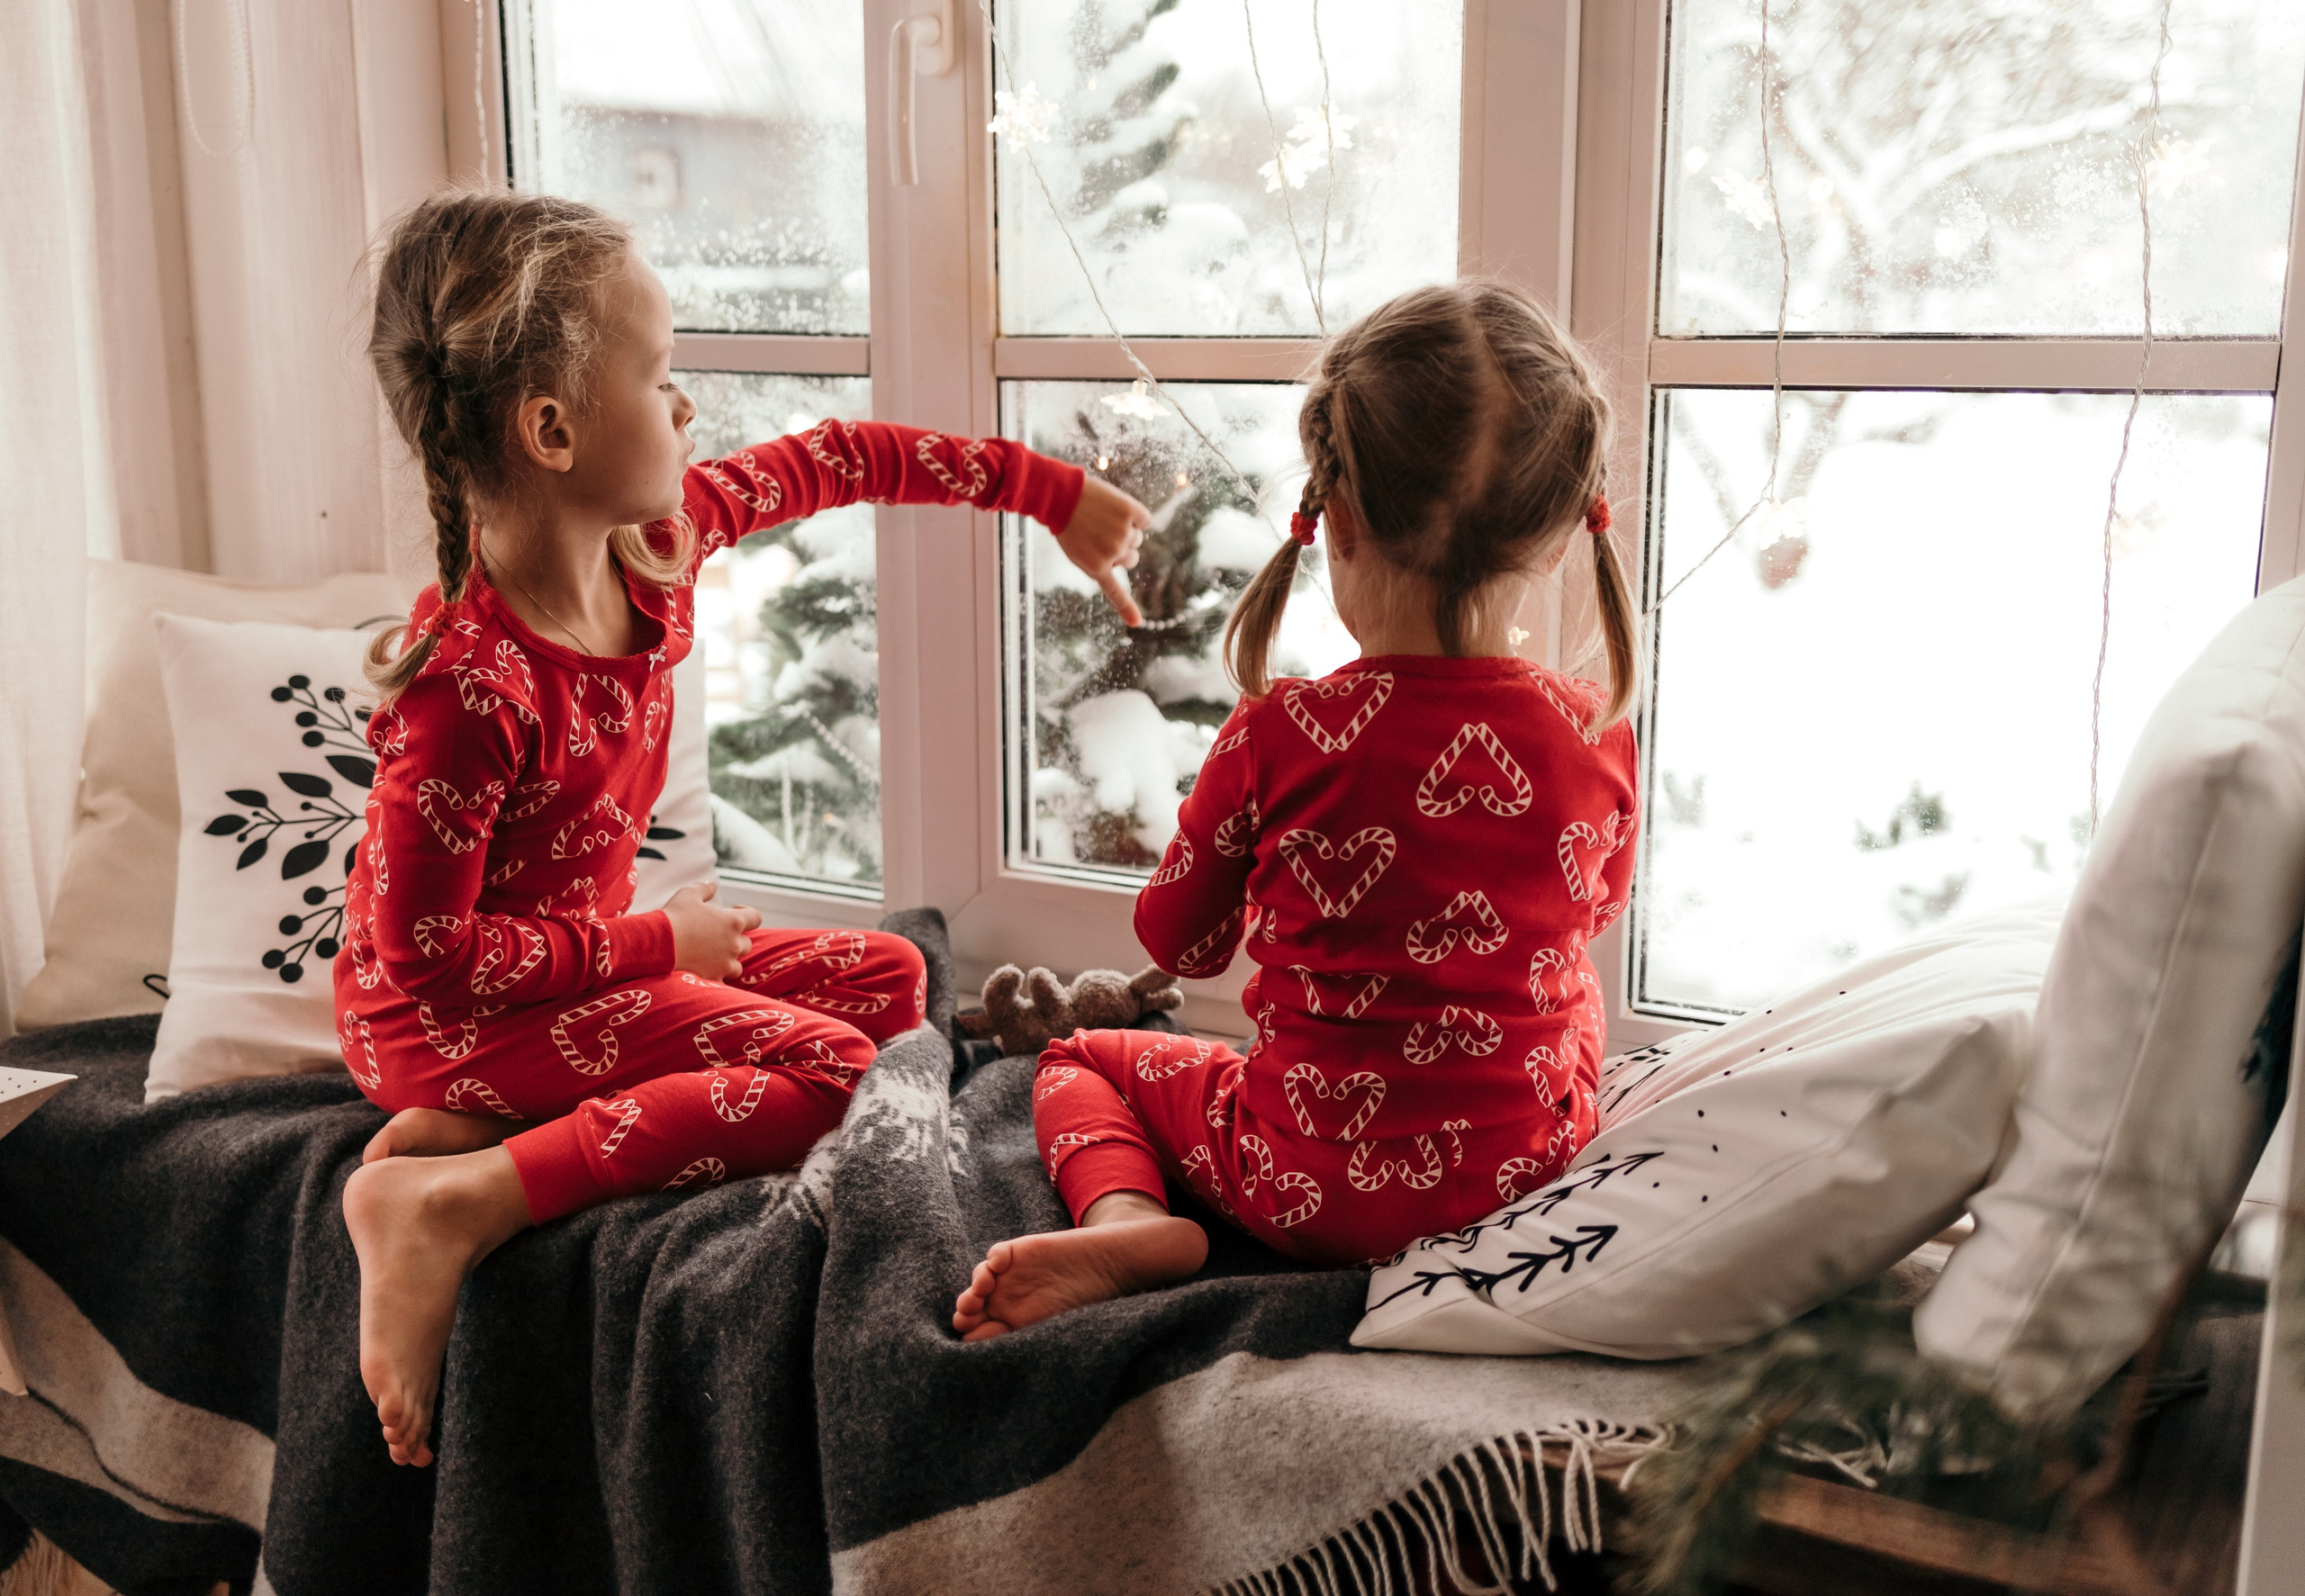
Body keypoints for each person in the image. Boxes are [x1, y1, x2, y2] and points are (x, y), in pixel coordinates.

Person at [339, 187, 1150, 1465]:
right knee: (834, 1072)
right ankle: (453, 1197)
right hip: (442, 1025)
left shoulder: (661, 541)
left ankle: (506, 1128)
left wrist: (1045, 494)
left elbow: (839, 457)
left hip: (572, 983)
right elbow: (425, 963)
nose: (686, 407)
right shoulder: (468, 687)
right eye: (660, 376)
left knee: (892, 978)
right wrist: (657, 949)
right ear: (552, 428)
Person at [953, 282, 1641, 1340]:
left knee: (1078, 1058)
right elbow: (1585, 919)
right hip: (1518, 1178)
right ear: (1555, 538)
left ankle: (1130, 1218)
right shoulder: (1594, 732)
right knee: (1577, 993)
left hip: (1297, 1188)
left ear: (1338, 522)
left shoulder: (1283, 731)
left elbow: (1176, 945)